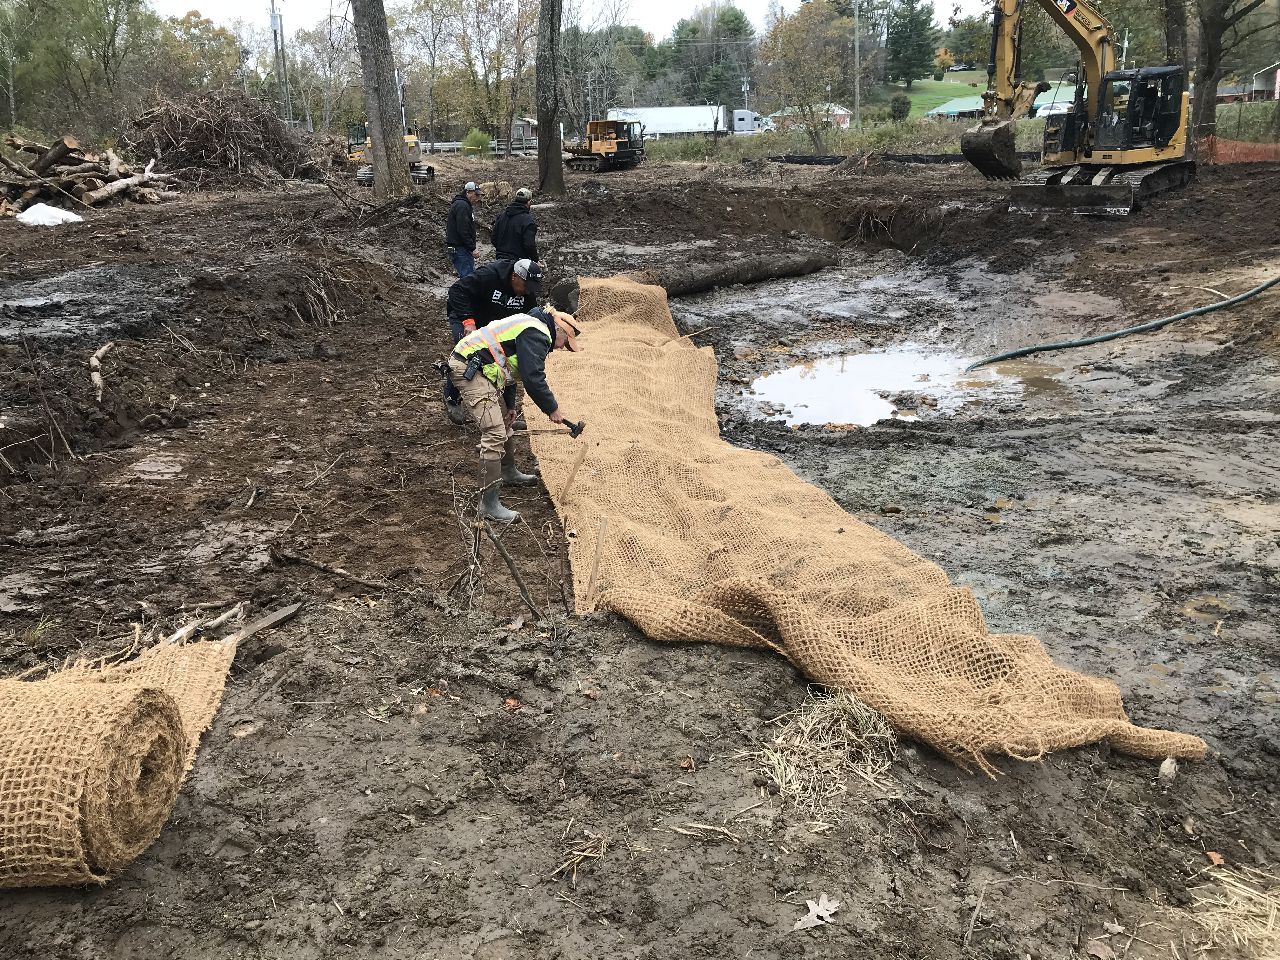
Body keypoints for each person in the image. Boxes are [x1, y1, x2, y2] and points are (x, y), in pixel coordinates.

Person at [449, 306, 580, 521]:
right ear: (560, 330)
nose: (560, 348)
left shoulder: (530, 324)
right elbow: (532, 377)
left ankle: (508, 472)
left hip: (484, 369)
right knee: (494, 433)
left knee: (504, 424)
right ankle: (488, 504)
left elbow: (507, 366)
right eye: (564, 343)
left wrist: (510, 405)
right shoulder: (538, 333)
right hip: (469, 369)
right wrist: (552, 408)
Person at [440, 259, 543, 423]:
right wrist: (468, 321)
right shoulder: (489, 276)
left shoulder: (527, 294)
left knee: (503, 359)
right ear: (515, 276)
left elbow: (529, 321)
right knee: (468, 358)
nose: (527, 292)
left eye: (531, 289)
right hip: (467, 317)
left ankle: (503, 409)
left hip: (493, 324)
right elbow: (456, 291)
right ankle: (452, 396)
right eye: (525, 287)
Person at [491, 187, 538, 262]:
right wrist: (535, 260)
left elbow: (493, 238)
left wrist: (501, 251)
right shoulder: (528, 221)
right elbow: (529, 245)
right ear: (529, 202)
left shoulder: (501, 216)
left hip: (500, 260)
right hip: (518, 262)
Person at [446, 181, 480, 278]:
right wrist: (472, 248)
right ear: (468, 192)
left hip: (460, 247)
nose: (477, 198)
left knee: (468, 277)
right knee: (468, 278)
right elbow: (463, 229)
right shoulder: (462, 206)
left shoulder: (463, 205)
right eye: (476, 194)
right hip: (460, 248)